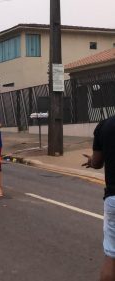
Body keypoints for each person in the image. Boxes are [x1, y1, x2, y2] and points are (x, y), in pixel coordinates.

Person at [82, 116, 115, 281]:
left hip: (113, 197)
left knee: (112, 255)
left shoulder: (105, 126)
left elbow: (96, 162)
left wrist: (90, 161)